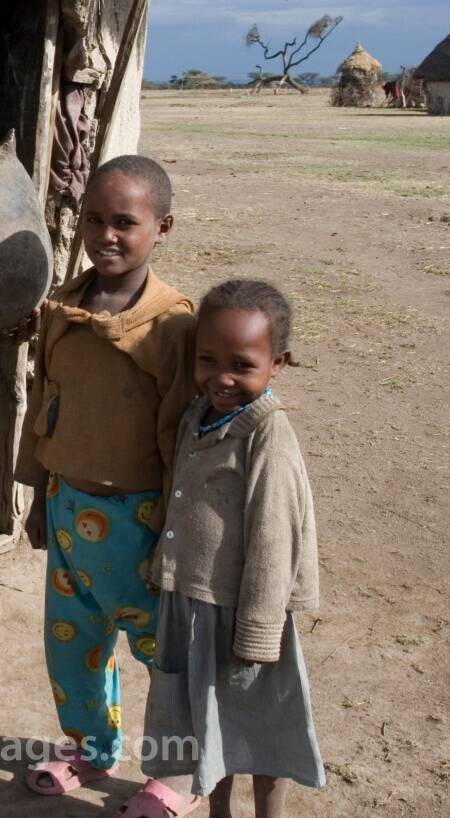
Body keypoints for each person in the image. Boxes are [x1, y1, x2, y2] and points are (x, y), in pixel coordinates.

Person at [13, 156, 199, 798]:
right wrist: (38, 494)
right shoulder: (62, 308)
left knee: (165, 659)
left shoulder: (174, 325)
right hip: (68, 514)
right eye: (94, 219)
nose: (106, 235)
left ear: (163, 227)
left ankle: (175, 774)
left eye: (125, 222)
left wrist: (178, 536)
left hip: (144, 526)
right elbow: (45, 405)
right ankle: (92, 751)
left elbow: (182, 440)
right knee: (74, 650)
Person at [131, 279, 323, 818]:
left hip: (242, 614)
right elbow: (180, 496)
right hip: (191, 603)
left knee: (260, 725)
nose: (222, 377)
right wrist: (161, 567)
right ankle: (218, 811)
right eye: (208, 360)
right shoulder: (198, 417)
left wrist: (259, 630)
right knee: (206, 722)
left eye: (242, 364)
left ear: (277, 362)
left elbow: (273, 537)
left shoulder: (268, 436)